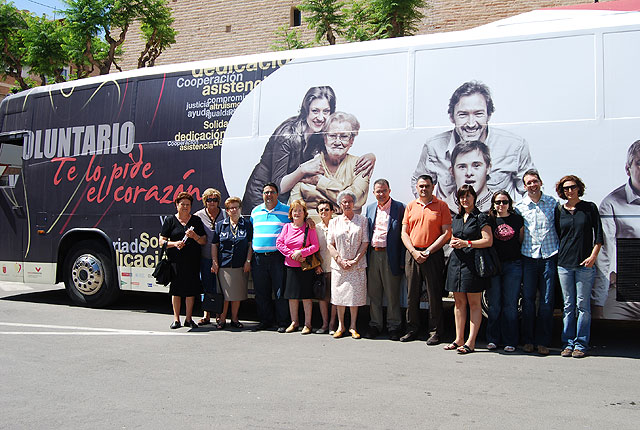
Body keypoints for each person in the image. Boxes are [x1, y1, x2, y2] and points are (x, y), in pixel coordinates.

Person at [243, 86, 375, 209]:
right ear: (306, 110)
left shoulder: (320, 133)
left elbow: (338, 149)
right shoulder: (287, 135)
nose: (321, 117)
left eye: (326, 111)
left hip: (285, 198)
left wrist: (371, 157)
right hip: (262, 194)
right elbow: (279, 186)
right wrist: (302, 170)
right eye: (315, 111)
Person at [411, 81, 535, 201]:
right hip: (450, 215)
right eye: (463, 114)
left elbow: (532, 189)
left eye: (478, 114)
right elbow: (419, 182)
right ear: (451, 117)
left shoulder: (515, 146)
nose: (471, 124)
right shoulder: (434, 147)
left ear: (489, 115)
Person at [555, 175, 603, 358]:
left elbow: (599, 236)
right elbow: (558, 235)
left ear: (579, 188)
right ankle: (567, 343)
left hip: (585, 265)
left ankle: (581, 344)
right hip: (564, 265)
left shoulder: (589, 208)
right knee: (568, 306)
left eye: (573, 187)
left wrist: (593, 257)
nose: (570, 191)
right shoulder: (560, 210)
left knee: (583, 306)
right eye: (566, 188)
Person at [400, 174, 452, 345]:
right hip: (413, 254)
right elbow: (404, 233)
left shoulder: (442, 206)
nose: (424, 189)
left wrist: (428, 251)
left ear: (432, 187)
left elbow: (446, 233)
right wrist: (413, 251)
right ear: (417, 188)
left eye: (427, 186)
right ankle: (412, 329)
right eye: (421, 186)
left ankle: (435, 331)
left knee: (434, 295)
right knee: (412, 295)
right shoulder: (410, 206)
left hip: (433, 255)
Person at [289, 112, 372, 215]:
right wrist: (337, 205)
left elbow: (355, 199)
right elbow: (295, 205)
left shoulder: (361, 165)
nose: (337, 142)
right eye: (332, 136)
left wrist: (319, 181)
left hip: (346, 224)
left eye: (344, 136)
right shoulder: (309, 165)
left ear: (351, 140)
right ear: (324, 138)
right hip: (310, 223)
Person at [444, 185, 493, 354]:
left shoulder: (481, 217)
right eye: (462, 197)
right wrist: (453, 241)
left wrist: (467, 243)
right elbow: (454, 236)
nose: (465, 200)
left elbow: (488, 240)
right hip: (456, 263)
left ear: (474, 197)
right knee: (458, 303)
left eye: (468, 196)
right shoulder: (457, 217)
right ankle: (459, 339)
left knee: (474, 303)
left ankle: (471, 342)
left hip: (473, 264)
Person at [515, 169, 559, 355]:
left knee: (547, 301)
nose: (532, 185)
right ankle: (528, 340)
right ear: (524, 187)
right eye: (529, 183)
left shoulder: (552, 203)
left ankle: (543, 341)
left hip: (549, 256)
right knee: (528, 301)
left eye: (535, 181)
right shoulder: (519, 207)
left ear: (540, 182)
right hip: (528, 257)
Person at [596, 140, 640, 320]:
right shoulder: (612, 203)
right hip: (625, 291)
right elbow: (603, 255)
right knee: (607, 321)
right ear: (628, 168)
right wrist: (597, 301)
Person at [364, 179, 405, 341]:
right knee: (374, 293)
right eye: (378, 191)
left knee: (392, 293)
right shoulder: (370, 208)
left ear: (389, 191)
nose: (381, 194)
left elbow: (403, 236)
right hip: (373, 254)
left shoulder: (399, 208)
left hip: (390, 255)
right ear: (373, 193)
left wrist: (402, 260)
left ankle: (394, 326)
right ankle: (375, 324)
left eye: (384, 190)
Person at [160, 192, 208, 329]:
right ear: (177, 205)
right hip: (175, 261)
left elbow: (204, 240)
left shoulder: (196, 221)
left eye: (188, 204)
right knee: (176, 290)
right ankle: (176, 319)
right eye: (182, 204)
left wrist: (194, 236)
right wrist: (175, 244)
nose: (185, 207)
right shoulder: (170, 220)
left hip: (192, 261)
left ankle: (188, 318)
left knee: (190, 290)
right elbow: (161, 241)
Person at [250, 182, 292, 332]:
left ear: (277, 194)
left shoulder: (286, 211)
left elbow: (297, 224)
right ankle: (265, 321)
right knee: (261, 292)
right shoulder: (255, 211)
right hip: (258, 259)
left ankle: (282, 322)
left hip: (277, 257)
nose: (269, 195)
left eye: (272, 192)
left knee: (280, 291)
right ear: (262, 195)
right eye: (266, 192)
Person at [327, 190, 369, 339]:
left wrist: (355, 260)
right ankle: (341, 326)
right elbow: (330, 244)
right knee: (339, 296)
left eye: (350, 201)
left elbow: (365, 242)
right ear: (340, 204)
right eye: (344, 202)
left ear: (354, 203)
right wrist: (339, 260)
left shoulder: (362, 220)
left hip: (356, 265)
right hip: (339, 266)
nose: (347, 204)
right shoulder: (333, 222)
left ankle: (353, 326)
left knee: (354, 297)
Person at [486, 191, 524, 353]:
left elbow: (521, 239)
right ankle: (493, 339)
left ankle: (510, 340)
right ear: (493, 204)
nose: (501, 205)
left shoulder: (517, 219)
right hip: (494, 266)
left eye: (504, 202)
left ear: (509, 203)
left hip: (513, 265)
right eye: (498, 202)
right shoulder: (489, 220)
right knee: (494, 305)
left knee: (510, 304)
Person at [276, 200, 320, 334]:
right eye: (295, 210)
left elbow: (315, 246)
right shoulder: (287, 227)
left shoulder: (309, 227)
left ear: (304, 213)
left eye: (300, 210)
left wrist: (301, 253)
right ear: (291, 213)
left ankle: (307, 324)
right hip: (290, 266)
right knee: (292, 296)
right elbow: (279, 243)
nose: (297, 213)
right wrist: (292, 255)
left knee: (306, 296)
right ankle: (294, 322)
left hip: (305, 267)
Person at [211, 197, 252, 329]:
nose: (234, 210)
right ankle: (222, 319)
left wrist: (248, 261)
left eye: (236, 207)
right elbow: (214, 245)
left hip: (240, 265)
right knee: (225, 295)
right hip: (224, 264)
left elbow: (250, 244)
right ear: (227, 211)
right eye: (231, 208)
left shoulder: (246, 225)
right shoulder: (220, 225)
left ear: (240, 209)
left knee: (236, 294)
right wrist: (214, 262)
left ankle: (234, 319)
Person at [194, 188, 225, 326]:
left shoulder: (225, 214)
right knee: (206, 286)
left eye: (215, 200)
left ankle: (219, 314)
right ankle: (206, 315)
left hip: (223, 257)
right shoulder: (198, 215)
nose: (212, 202)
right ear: (204, 201)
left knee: (220, 287)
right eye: (209, 199)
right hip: (205, 257)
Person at [444, 140, 493, 214]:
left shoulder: (502, 207)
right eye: (462, 167)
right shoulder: (441, 209)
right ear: (452, 171)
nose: (469, 173)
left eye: (476, 165)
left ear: (488, 168)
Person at [315, 199, 338, 334]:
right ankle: (324, 324)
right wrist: (317, 265)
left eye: (326, 209)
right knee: (322, 298)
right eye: (321, 210)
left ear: (332, 211)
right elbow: (313, 248)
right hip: (321, 268)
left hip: (336, 268)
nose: (324, 212)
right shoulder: (315, 228)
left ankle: (332, 324)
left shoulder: (337, 226)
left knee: (335, 298)